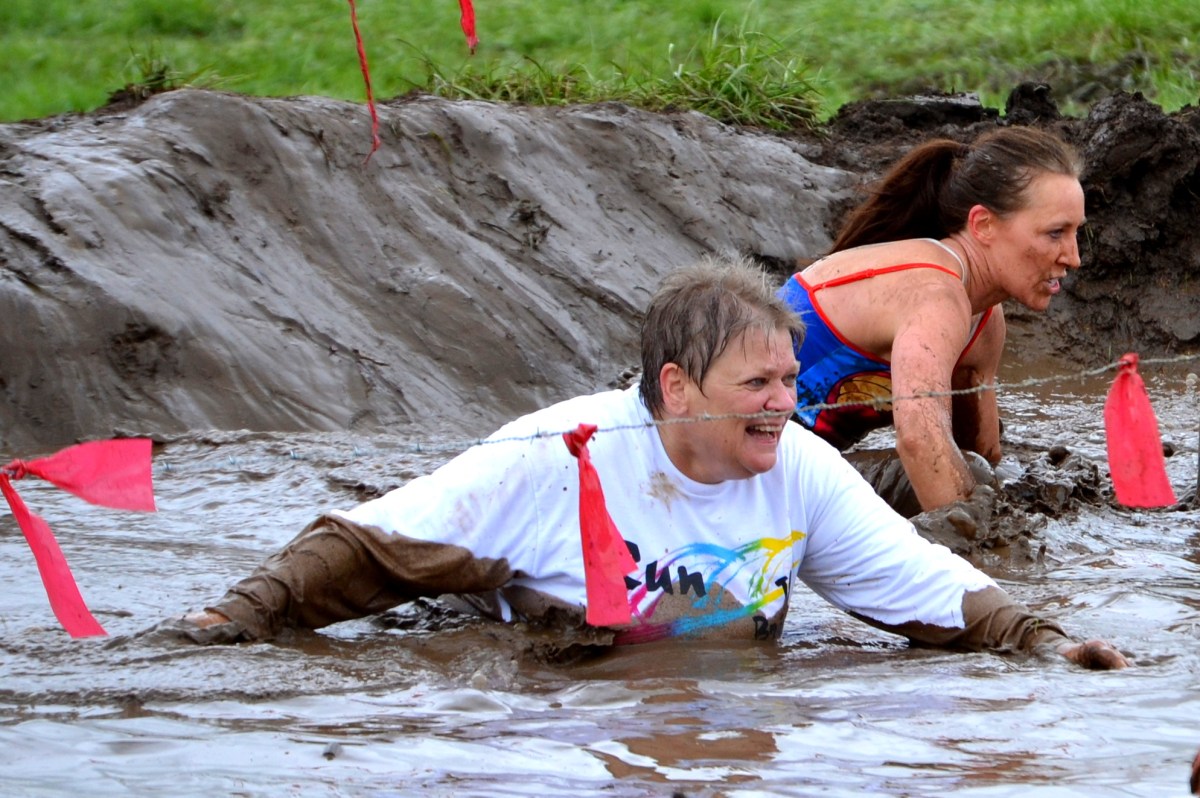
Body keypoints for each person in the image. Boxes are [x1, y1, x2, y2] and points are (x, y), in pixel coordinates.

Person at [179, 254, 1125, 669]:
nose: (784, 404)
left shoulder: (797, 465)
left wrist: (1045, 644)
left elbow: (922, 582)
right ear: (676, 388)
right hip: (560, 685)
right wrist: (229, 624)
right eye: (757, 384)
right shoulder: (560, 455)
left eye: (788, 380)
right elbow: (370, 544)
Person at [780, 126, 1085, 514]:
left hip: (787, 465)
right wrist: (981, 543)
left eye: (1076, 233)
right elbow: (921, 441)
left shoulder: (984, 322)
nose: (1073, 257)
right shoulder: (935, 294)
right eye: (1055, 233)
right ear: (983, 225)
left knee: (980, 473)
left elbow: (983, 451)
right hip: (728, 463)